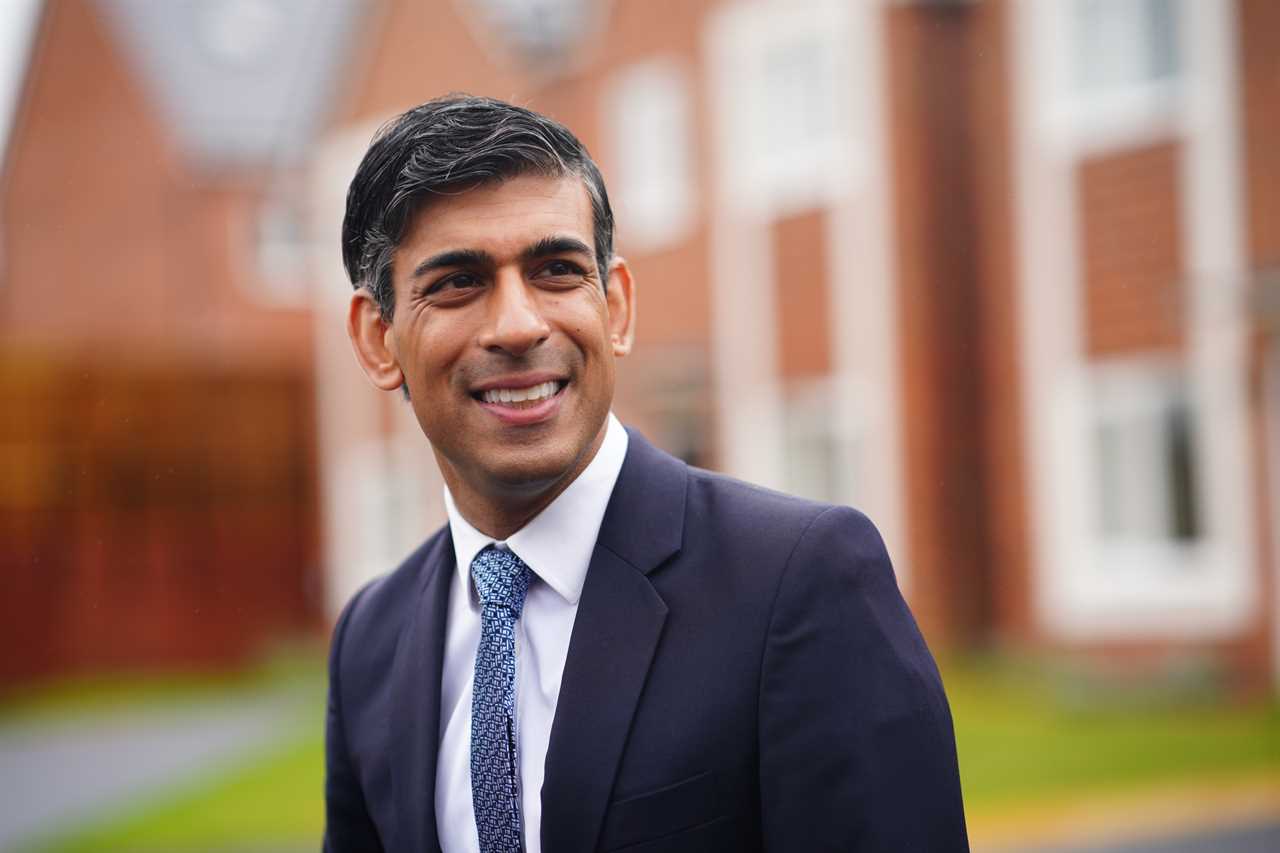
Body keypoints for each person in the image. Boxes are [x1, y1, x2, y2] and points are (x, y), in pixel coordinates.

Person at [326, 94, 968, 853]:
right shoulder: (371, 636)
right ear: (378, 338)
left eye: (557, 270)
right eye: (458, 282)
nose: (520, 325)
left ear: (617, 307)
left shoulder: (799, 582)